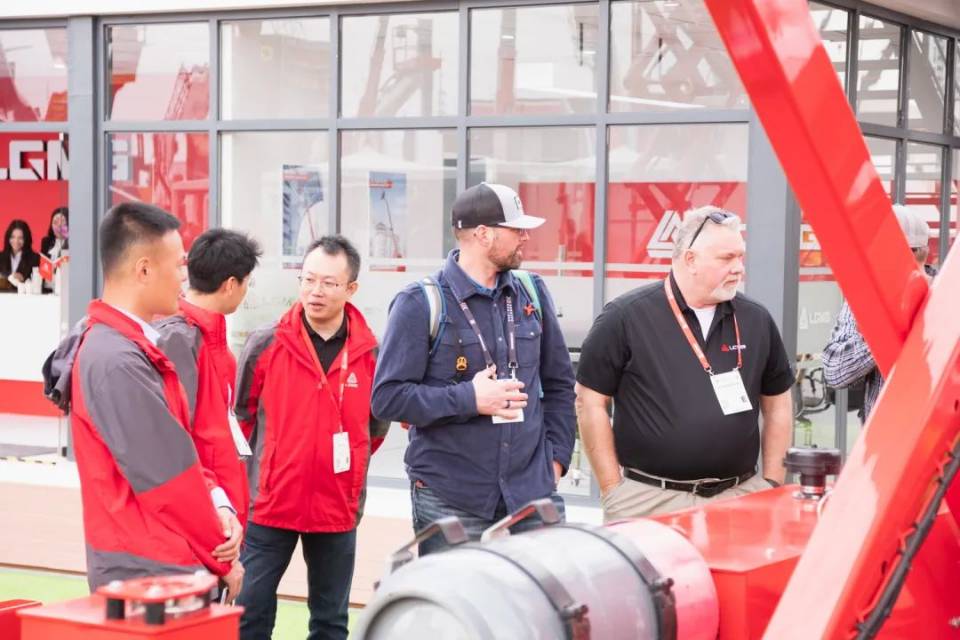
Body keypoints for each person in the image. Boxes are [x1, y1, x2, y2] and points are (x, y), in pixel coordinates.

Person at [40, 202, 244, 593]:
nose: (184, 276)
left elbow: (175, 457)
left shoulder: (128, 347)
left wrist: (218, 503)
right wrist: (220, 556)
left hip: (154, 561)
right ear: (144, 270)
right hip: (149, 571)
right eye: (179, 264)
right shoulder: (116, 360)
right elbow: (167, 479)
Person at [371, 182, 576, 556]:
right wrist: (470, 398)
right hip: (450, 499)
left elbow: (560, 383)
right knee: (459, 596)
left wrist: (557, 460)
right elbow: (388, 398)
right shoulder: (419, 302)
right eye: (516, 229)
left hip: (533, 495)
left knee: (540, 595)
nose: (525, 237)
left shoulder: (531, 291)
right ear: (483, 234)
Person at [576, 206, 794, 520]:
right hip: (649, 501)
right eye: (726, 258)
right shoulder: (625, 317)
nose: (738, 268)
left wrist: (771, 484)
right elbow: (590, 403)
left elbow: (778, 404)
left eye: (740, 257)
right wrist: (613, 489)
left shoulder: (755, 319)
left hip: (739, 497)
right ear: (690, 259)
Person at [234, 235, 388, 640]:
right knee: (249, 613)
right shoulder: (266, 343)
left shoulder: (371, 354)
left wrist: (346, 466)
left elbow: (375, 428)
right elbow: (243, 417)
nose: (315, 291)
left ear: (351, 288)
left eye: (329, 283)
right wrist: (267, 468)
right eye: (308, 279)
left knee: (330, 621)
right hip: (271, 502)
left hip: (337, 505)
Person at [154, 228, 262, 547]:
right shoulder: (179, 338)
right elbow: (173, 436)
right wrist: (213, 499)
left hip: (221, 504)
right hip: (202, 510)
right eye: (246, 283)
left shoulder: (209, 339)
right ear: (230, 285)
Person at [823, 204, 934, 424]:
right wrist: (885, 329)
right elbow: (834, 372)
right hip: (883, 437)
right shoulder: (866, 302)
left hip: (936, 435)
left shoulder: (946, 299)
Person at [0, 219, 40, 291]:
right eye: (13, 237)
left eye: (20, 238)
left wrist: (23, 279)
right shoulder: (1, 257)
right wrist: (9, 276)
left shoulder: (34, 258)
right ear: (8, 238)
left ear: (26, 239)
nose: (16, 241)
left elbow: (37, 284)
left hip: (24, 296)